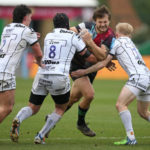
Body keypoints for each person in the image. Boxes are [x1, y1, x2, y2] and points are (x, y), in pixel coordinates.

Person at [10, 13, 107, 143]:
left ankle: (18, 119)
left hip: (42, 73)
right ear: (67, 24)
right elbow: (90, 58)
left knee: (32, 107)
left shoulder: (49, 35)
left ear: (54, 24)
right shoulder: (73, 36)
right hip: (59, 76)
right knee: (60, 108)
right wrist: (99, 53)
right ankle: (40, 135)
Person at [71, 22, 150, 145]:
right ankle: (131, 138)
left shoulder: (116, 42)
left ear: (117, 34)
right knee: (143, 113)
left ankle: (131, 138)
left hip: (138, 77)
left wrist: (84, 71)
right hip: (147, 77)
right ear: (129, 35)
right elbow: (116, 57)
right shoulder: (131, 44)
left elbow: (103, 62)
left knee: (120, 105)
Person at [67, 5, 115, 137]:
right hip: (77, 65)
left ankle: (53, 116)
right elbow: (69, 31)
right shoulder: (87, 26)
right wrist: (76, 36)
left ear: (109, 21)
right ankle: (81, 123)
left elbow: (101, 56)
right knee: (89, 95)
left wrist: (89, 42)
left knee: (73, 98)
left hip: (91, 69)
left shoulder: (110, 36)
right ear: (95, 21)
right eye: (100, 22)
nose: (103, 24)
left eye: (105, 22)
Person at [0, 5, 43, 124]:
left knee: (6, 105)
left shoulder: (7, 27)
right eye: (30, 17)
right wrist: (40, 63)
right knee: (6, 108)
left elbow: (17, 40)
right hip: (5, 71)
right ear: (25, 17)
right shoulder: (27, 31)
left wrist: (32, 36)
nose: (30, 20)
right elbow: (38, 53)